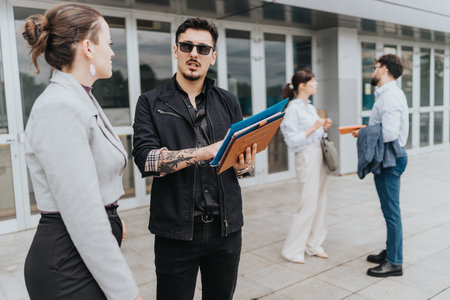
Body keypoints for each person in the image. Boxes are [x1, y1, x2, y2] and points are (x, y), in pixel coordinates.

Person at [22, 3, 142, 299]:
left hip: (76, 254)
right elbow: (83, 216)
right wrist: (128, 294)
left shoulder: (80, 98)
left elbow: (90, 190)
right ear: (88, 47)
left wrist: (112, 217)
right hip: (65, 267)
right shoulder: (59, 106)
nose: (112, 53)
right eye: (109, 43)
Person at [132, 17, 256, 300]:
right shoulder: (151, 102)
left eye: (203, 48)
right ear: (175, 50)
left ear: (213, 57)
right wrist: (204, 152)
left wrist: (245, 166)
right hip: (175, 232)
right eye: (187, 46)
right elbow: (146, 159)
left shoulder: (228, 101)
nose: (194, 53)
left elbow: (241, 168)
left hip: (226, 229)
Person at [352, 54, 408, 277]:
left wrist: (364, 132)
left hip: (391, 160)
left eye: (374, 67)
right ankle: (391, 251)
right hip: (387, 158)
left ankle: (395, 262)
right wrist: (366, 129)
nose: (372, 71)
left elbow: (390, 133)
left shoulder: (391, 96)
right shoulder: (386, 94)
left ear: (383, 69)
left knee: (392, 212)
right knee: (389, 211)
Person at [279, 69, 332, 264]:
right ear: (302, 85)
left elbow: (314, 133)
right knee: (308, 203)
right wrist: (314, 127)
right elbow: (292, 140)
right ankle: (292, 250)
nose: (316, 83)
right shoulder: (292, 109)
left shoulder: (309, 107)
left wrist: (322, 127)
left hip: (318, 153)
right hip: (306, 155)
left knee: (320, 200)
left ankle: (313, 244)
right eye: (312, 81)